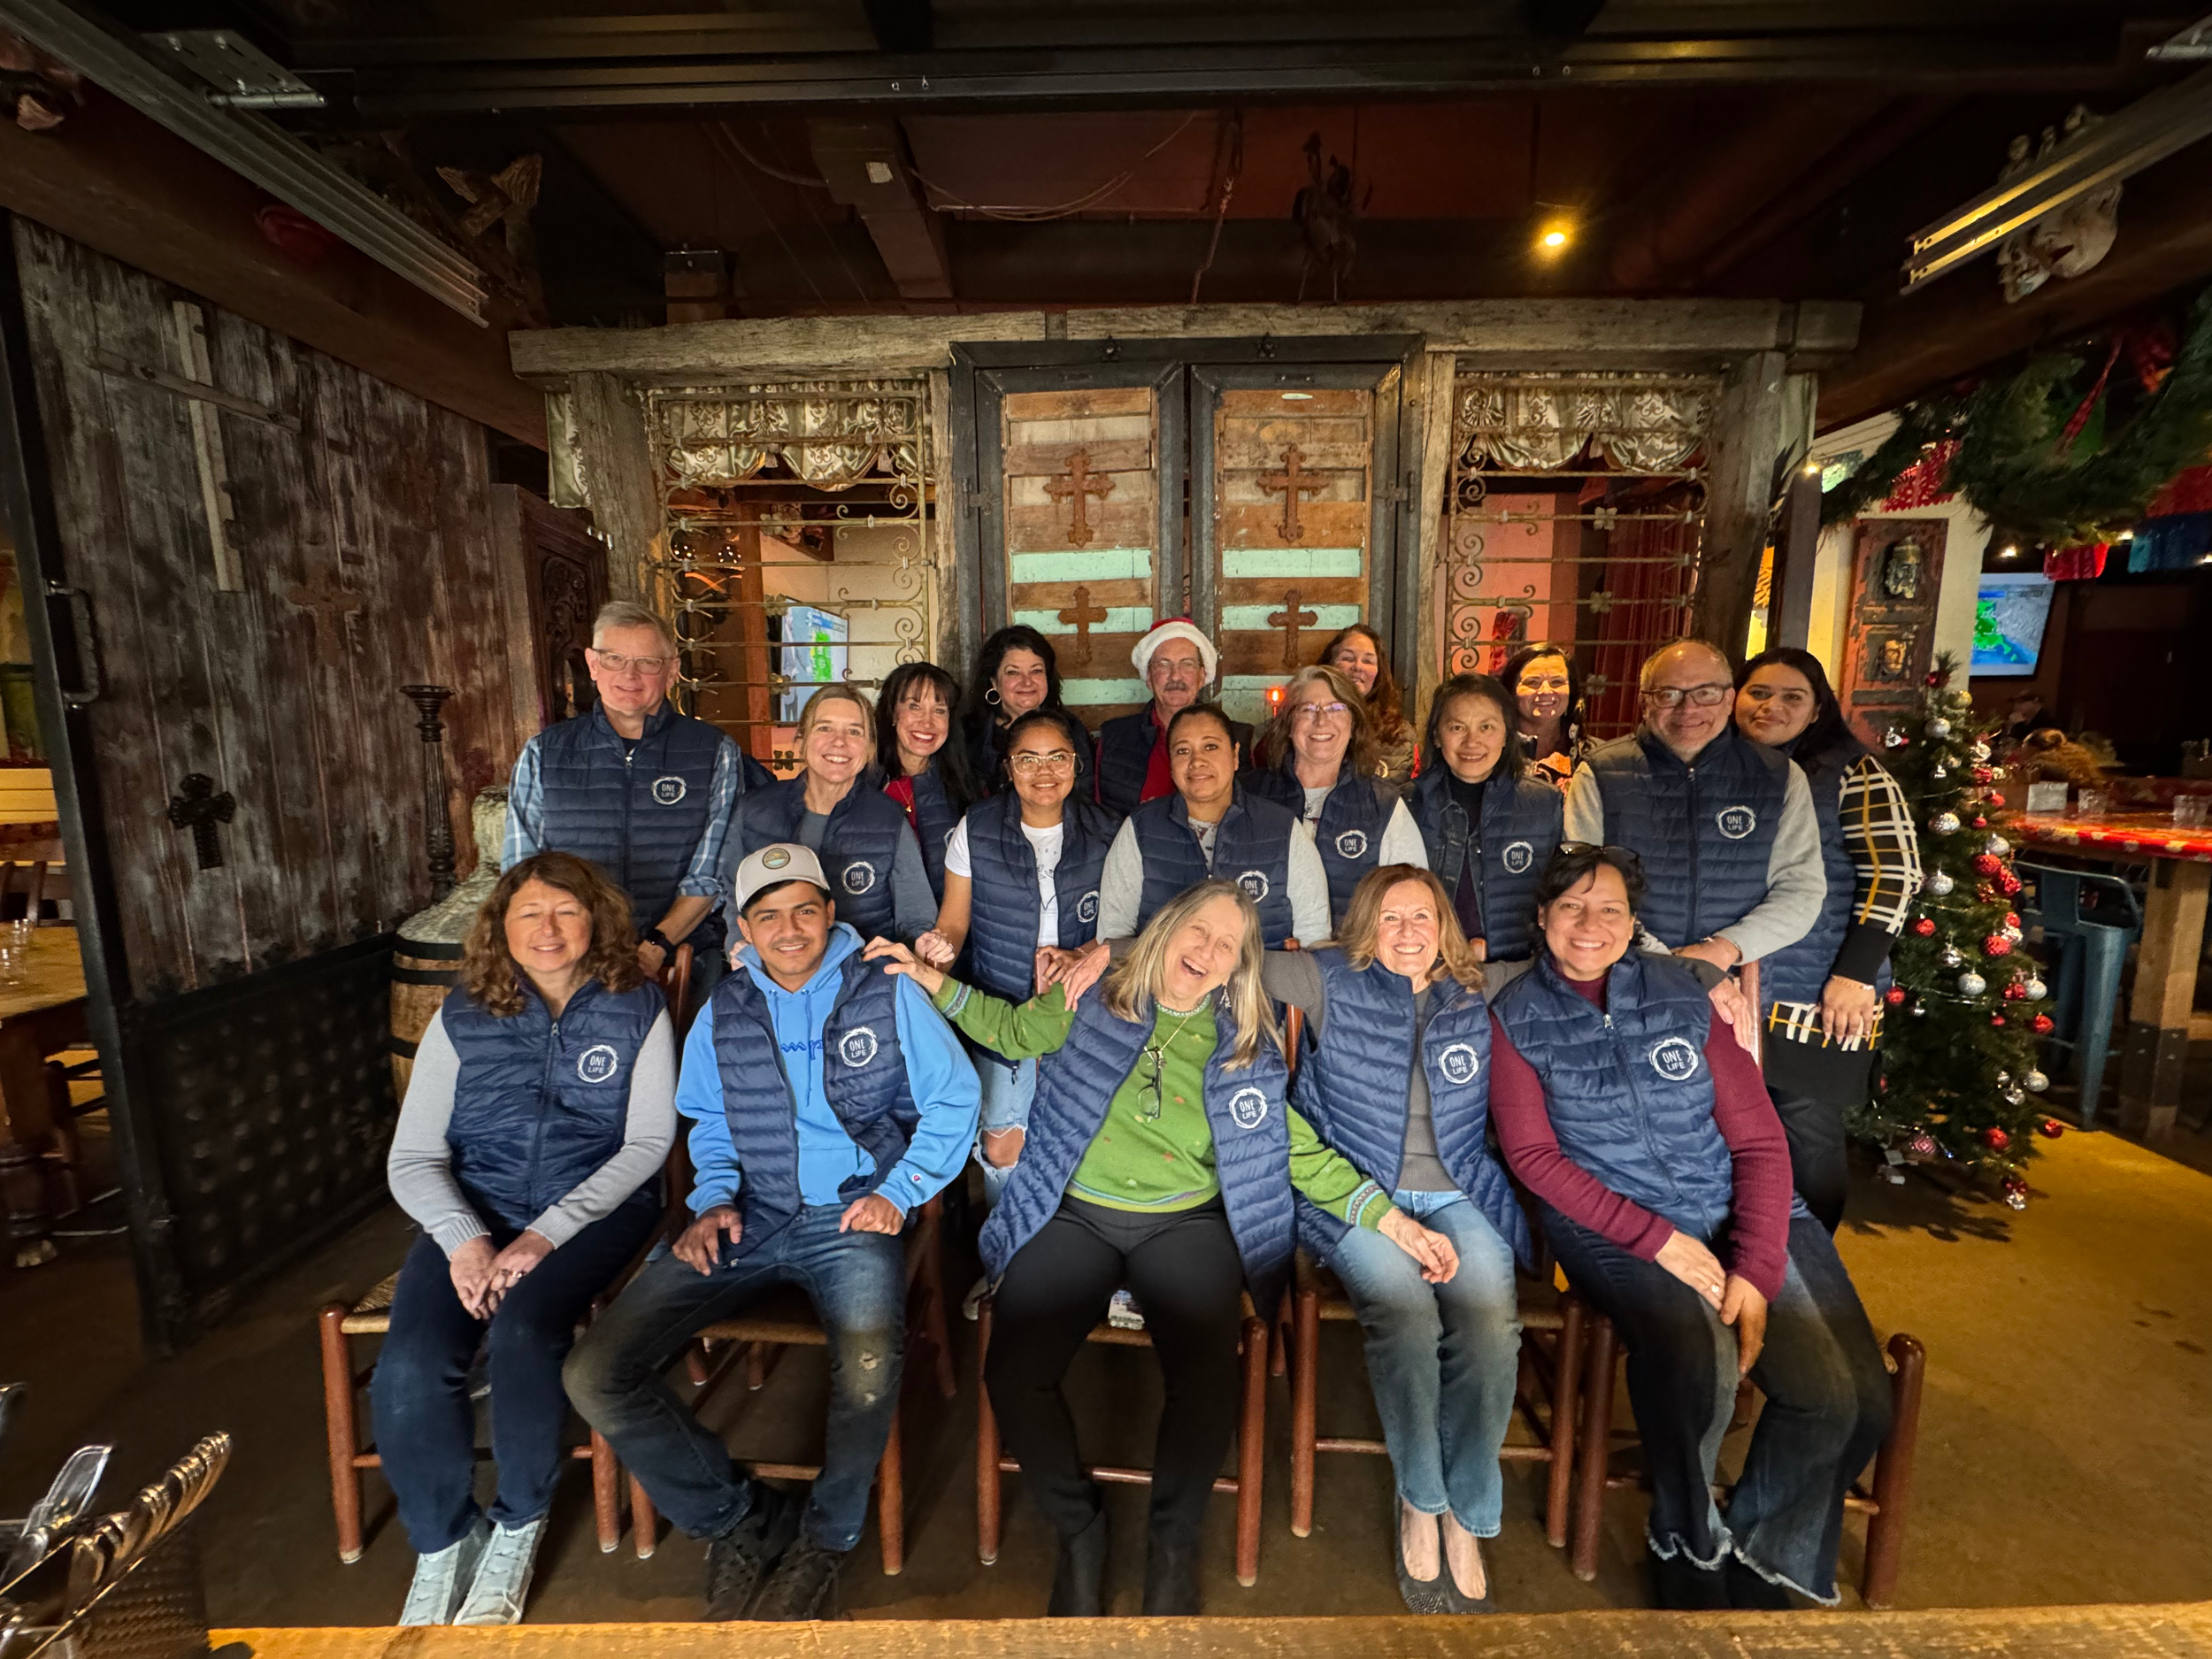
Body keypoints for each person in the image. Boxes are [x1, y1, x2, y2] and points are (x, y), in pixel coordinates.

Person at [864, 882, 1456, 1616]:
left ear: (1239, 966)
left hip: (1185, 1223)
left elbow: (1295, 1149)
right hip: (1076, 1214)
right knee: (1014, 1371)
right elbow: (1012, 1032)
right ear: (1168, 927)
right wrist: (926, 976)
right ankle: (1080, 1527)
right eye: (1199, 931)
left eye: (1228, 947)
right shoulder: (1093, 996)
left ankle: (1172, 1539)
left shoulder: (1243, 1043)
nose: (1206, 952)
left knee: (1208, 1376)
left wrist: (1395, 1222)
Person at [564, 844, 979, 1622]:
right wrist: (714, 1199)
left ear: (830, 913)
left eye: (805, 910)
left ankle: (826, 1534)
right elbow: (710, 1122)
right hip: (749, 1213)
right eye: (768, 916)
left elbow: (955, 1098)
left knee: (866, 1363)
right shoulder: (725, 1006)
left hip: (852, 1211)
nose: (790, 929)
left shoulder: (884, 989)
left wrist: (901, 1191)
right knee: (595, 1371)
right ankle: (742, 1518)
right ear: (745, 932)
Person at [1487, 844, 1892, 1611]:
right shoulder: (1518, 1016)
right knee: (1697, 1359)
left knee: (1854, 1400)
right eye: (1570, 906)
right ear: (1541, 917)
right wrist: (1661, 1241)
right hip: (1611, 1227)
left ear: (1633, 920)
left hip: (1740, 1202)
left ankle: (1769, 1548)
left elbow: (1761, 1143)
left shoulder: (1682, 992)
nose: (1589, 923)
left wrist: (1756, 1266)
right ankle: (1686, 1539)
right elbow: (1536, 1159)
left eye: (1609, 908)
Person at [376, 851, 673, 1626]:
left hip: (595, 1213)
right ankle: (442, 1541)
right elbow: (412, 1158)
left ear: (596, 920)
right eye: (529, 914)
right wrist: (464, 1238)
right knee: (409, 1363)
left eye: (566, 911)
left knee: (523, 1332)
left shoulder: (635, 1004)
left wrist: (545, 1235)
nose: (548, 929)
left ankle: (518, 1520)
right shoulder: (463, 1012)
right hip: (477, 1210)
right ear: (500, 928)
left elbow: (646, 1146)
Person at [1270, 864, 1531, 1613]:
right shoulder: (1326, 978)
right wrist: (1096, 953)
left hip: (1459, 1190)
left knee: (1488, 1323)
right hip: (1360, 1196)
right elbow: (1220, 950)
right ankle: (1420, 1496)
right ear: (1364, 926)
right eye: (1390, 918)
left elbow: (1587, 954)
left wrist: (1704, 973)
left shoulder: (1478, 986)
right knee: (1407, 1314)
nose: (1409, 933)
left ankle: (1468, 1511)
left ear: (1445, 926)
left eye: (1423, 917)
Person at [1733, 649, 1921, 1230]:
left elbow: (1896, 873)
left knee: (1807, 1131)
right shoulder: (1729, 767)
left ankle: (1812, 1271)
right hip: (1742, 983)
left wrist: (1855, 973)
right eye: (1759, 692)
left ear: (1818, 710)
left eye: (1792, 697)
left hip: (1816, 990)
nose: (1772, 707)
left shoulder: (1852, 772)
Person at [505, 600, 771, 1002]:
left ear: (672, 669)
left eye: (647, 661)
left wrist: (656, 947)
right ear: (593, 665)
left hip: (680, 959)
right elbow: (522, 876)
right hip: (567, 966)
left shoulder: (713, 751)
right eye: (614, 659)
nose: (629, 675)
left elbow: (711, 873)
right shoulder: (545, 753)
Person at [913, 710, 1119, 1201]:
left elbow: (1124, 926)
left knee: (1083, 1134)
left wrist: (1083, 954)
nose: (1043, 771)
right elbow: (954, 922)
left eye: (1057, 758)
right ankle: (1006, 1252)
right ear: (1008, 767)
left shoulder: (1109, 830)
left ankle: (1072, 1249)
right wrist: (936, 952)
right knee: (1004, 1144)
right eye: (1028, 759)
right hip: (999, 1001)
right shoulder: (978, 827)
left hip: (1079, 1002)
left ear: (1075, 764)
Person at [1564, 638, 1823, 975]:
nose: (1688, 709)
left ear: (1729, 699)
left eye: (1706, 693)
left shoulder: (1780, 776)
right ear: (1645, 702)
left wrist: (1724, 949)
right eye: (1668, 694)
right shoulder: (1601, 772)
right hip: (1622, 970)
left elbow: (1800, 887)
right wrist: (1660, 958)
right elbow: (1580, 883)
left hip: (1734, 974)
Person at [1091, 703, 1331, 952]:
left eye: (1211, 747)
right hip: (1165, 989)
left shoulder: (1281, 828)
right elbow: (1113, 937)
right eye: (1183, 751)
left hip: (1261, 989)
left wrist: (1279, 967)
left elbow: (1314, 939)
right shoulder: (1141, 828)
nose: (1197, 761)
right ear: (1171, 763)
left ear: (1235, 755)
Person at [726, 686, 934, 945]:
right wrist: (742, 950)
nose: (839, 741)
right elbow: (733, 897)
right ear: (801, 740)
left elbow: (917, 920)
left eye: (854, 731)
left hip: (864, 977)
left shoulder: (889, 819)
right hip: (773, 975)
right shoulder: (754, 810)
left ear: (869, 750)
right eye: (825, 728)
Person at [1247, 664, 1426, 927]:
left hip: (1351, 963)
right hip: (1269, 960)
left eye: (1336, 709)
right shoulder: (1253, 795)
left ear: (1354, 724)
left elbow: (1414, 902)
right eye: (1307, 709)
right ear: (1287, 723)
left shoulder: (1384, 805)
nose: (1321, 721)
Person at [1407, 673, 1565, 962]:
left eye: (1486, 727)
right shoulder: (1407, 804)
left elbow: (1561, 896)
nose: (1472, 741)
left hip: (1516, 971)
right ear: (1436, 735)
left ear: (1506, 734)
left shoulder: (1545, 803)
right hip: (1428, 968)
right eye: (1457, 727)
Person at [1094, 618, 1254, 818]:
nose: (1175, 676)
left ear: (1202, 676)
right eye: (1163, 665)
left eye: (1186, 664)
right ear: (1149, 678)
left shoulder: (1236, 736)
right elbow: (1100, 818)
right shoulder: (1114, 737)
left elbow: (1248, 814)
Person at [875, 662, 974, 903]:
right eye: (914, 707)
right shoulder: (868, 785)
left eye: (939, 710)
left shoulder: (966, 787)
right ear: (892, 713)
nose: (927, 722)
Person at [965, 625, 1095, 797]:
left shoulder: (1071, 729)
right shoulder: (969, 735)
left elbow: (1084, 796)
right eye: (1013, 672)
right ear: (994, 682)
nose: (1027, 682)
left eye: (1036, 671)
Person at [1322, 623, 1417, 788]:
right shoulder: (1310, 721)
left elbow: (1397, 794)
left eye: (1367, 661)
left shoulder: (1397, 732)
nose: (1358, 667)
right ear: (1329, 666)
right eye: (1348, 658)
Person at [1500, 641, 1589, 790]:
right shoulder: (1491, 752)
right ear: (1511, 692)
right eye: (1533, 682)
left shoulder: (1592, 756)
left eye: (1557, 682)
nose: (1546, 691)